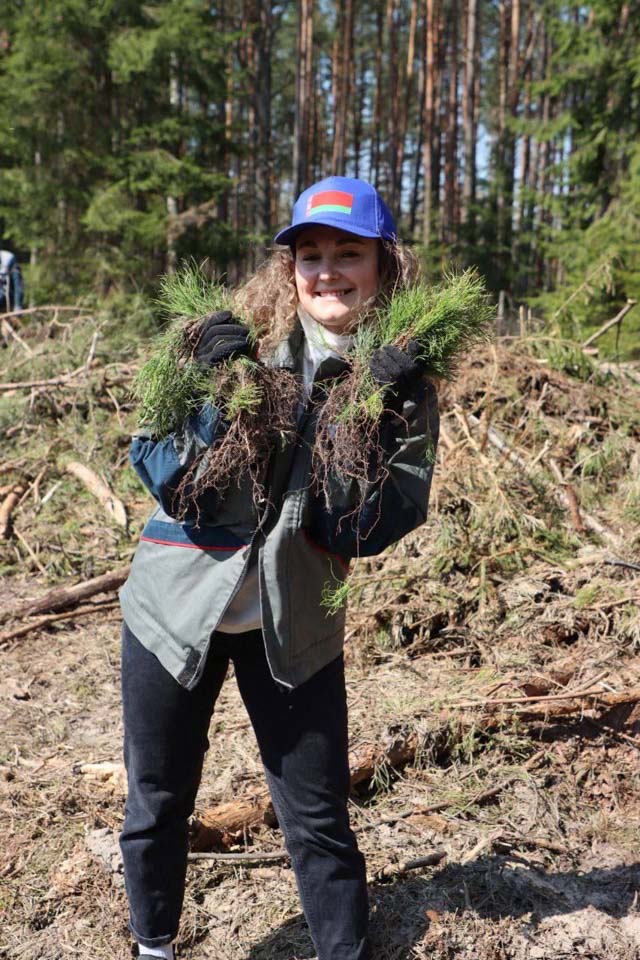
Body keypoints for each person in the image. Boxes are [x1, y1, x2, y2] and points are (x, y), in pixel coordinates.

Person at [118, 176, 440, 960]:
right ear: (289, 269)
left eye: (347, 253)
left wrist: (370, 421)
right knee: (157, 799)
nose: (327, 270)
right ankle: (153, 947)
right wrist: (216, 397)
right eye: (310, 254)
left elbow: (365, 529)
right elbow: (160, 468)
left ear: (383, 265)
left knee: (317, 814)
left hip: (292, 624)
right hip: (172, 612)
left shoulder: (403, 382)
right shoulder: (233, 344)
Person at [0, 247, 24, 313]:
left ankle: (17, 307)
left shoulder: (9, 259)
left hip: (7, 294)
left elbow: (17, 285)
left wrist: (18, 306)